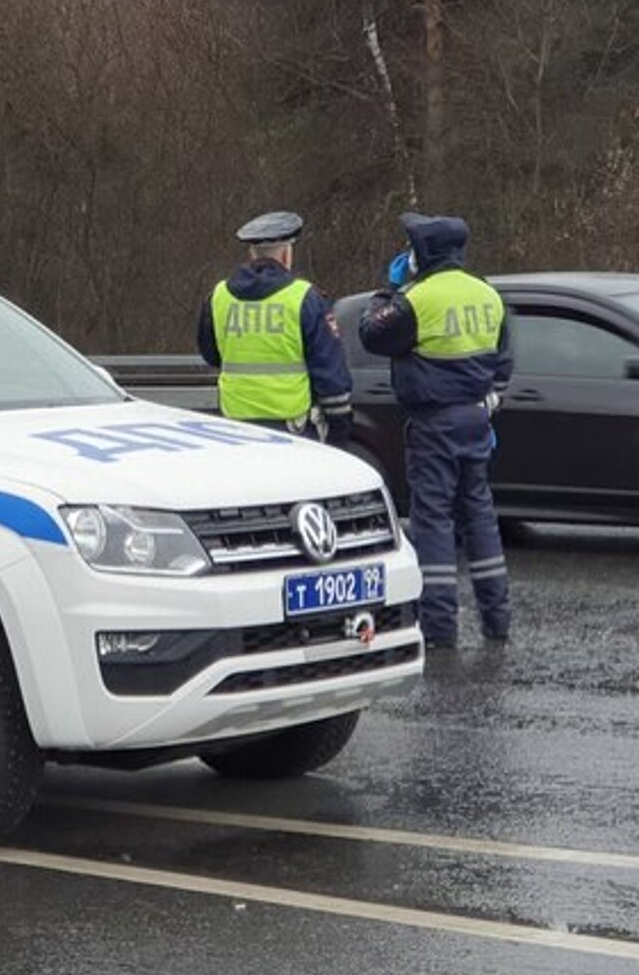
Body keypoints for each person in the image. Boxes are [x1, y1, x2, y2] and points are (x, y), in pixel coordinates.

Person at [358, 213, 513, 649]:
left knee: (433, 522)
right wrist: (486, 401)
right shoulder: (488, 295)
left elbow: (372, 333)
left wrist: (388, 290)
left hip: (434, 423)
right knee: (480, 517)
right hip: (475, 420)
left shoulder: (416, 299)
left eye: (412, 248)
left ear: (424, 252)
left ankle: (440, 627)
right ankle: (497, 618)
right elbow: (503, 362)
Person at [197, 210, 353, 446]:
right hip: (290, 427)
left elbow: (211, 354)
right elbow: (328, 369)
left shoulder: (219, 296)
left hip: (234, 425)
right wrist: (339, 428)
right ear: (286, 254)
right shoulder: (303, 297)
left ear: (252, 254)